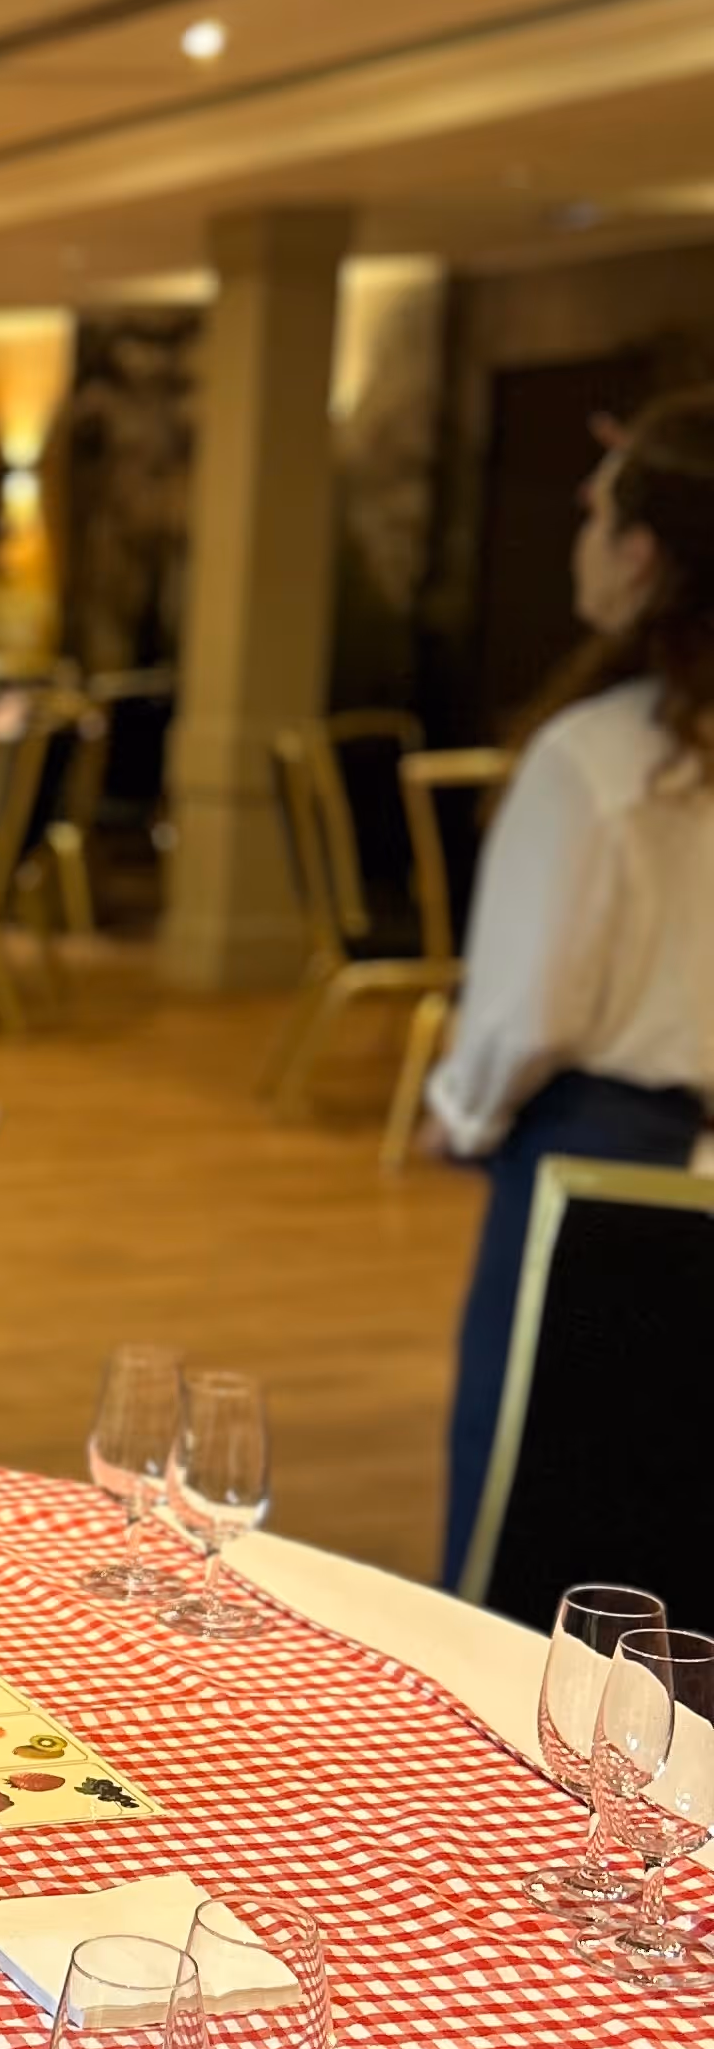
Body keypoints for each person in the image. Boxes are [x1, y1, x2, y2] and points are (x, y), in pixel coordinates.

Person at [429, 389, 714, 1585]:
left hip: (583, 1164)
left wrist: (463, 1115)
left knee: (529, 1528)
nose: (581, 536)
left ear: (643, 551)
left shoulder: (596, 759)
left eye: (595, 511)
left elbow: (529, 1013)